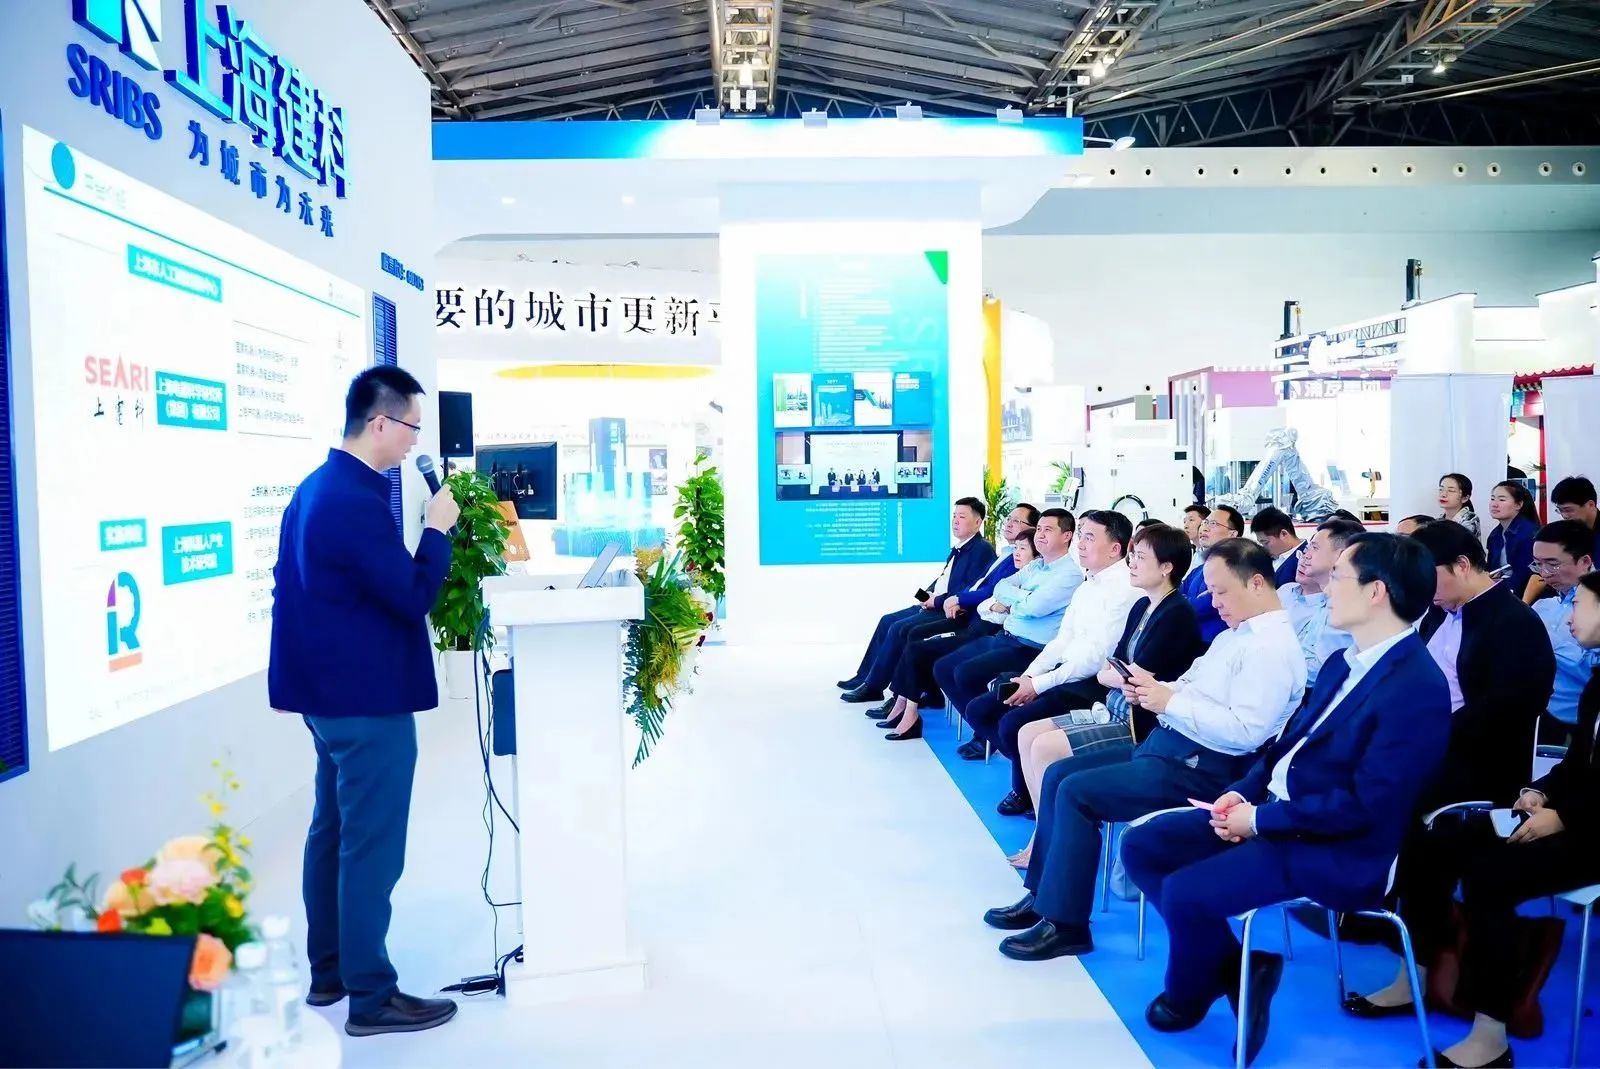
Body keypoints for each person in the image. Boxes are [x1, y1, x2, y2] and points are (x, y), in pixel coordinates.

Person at [1122, 533, 1451, 1068]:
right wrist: (1243, 793)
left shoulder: (1415, 687)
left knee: (1186, 893)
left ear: (1376, 593)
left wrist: (1260, 820)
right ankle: (1239, 971)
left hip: (1339, 845)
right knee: (1144, 846)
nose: (1325, 586)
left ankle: (1188, 993)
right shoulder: (1345, 662)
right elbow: (1287, 748)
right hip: (1283, 814)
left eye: (1338, 576)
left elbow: (1366, 806)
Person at [982, 539, 1305, 965]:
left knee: (1077, 792)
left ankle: (1065, 922)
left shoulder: (1270, 648)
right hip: (1172, 747)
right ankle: (1043, 895)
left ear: (1257, 583)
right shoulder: (1238, 634)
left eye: (1221, 591)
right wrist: (1158, 691)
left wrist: (1169, 702)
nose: (1213, 602)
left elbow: (1246, 732)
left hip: (1205, 767)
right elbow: (1191, 683)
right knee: (1060, 775)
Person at [269, 367, 461, 1037]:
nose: (414, 443)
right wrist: (437, 531)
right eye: (411, 427)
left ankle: (330, 973)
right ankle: (372, 996)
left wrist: (297, 685)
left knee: (332, 832)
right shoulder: (354, 501)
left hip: (326, 701)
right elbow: (411, 596)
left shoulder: (314, 488)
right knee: (371, 847)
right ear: (380, 422)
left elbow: (288, 590)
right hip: (366, 703)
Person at [1347, 571, 1600, 1069]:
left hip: (1590, 831)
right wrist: (1540, 791)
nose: (1569, 615)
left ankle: (1491, 1033)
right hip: (1569, 815)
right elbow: (1578, 765)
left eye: (1580, 605)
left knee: (1491, 877)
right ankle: (1416, 975)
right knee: (1434, 843)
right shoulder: (1597, 685)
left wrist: (1564, 817)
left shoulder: (1513, 627)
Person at [1006, 523, 1206, 869]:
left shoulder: (1177, 614)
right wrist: (1120, 674)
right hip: (1114, 705)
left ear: (1166, 567)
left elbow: (1134, 675)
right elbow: (1110, 669)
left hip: (1137, 723)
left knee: (1044, 747)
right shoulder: (1142, 606)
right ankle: (1043, 832)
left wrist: (1120, 674)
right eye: (1133, 555)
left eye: (1140, 557)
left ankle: (1047, 843)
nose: (1132, 563)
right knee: (1026, 733)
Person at [968, 511, 1143, 816]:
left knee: (1012, 723)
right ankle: (1033, 784)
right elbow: (1062, 640)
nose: (1081, 544)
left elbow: (1095, 658)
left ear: (1115, 549)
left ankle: (1034, 795)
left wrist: (1038, 684)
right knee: (983, 708)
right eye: (1081, 536)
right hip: (1063, 670)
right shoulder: (1088, 585)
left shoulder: (1125, 591)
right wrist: (1028, 678)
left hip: (1092, 684)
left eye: (1090, 537)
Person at [1411, 520, 1556, 809]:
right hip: (1422, 747)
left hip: (1473, 765)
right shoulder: (1438, 611)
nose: (1423, 588)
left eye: (1428, 576)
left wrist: (1427, 733)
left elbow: (1505, 712)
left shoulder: (1515, 622)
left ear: (1462, 565)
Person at [868, 503, 1040, 723]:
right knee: (892, 623)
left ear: (978, 521)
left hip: (969, 617)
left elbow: (990, 593)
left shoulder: (987, 551)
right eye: (1009, 519)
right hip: (953, 606)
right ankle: (874, 684)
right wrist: (930, 596)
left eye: (1017, 521)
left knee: (909, 634)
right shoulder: (997, 552)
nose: (1009, 523)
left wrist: (949, 600)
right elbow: (976, 586)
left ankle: (897, 697)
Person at [924, 510, 1085, 742]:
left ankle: (988, 734)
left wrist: (1015, 603)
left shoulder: (1070, 574)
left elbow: (1035, 608)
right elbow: (1001, 587)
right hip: (1005, 636)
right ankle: (986, 732)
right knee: (942, 668)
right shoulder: (1036, 566)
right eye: (1039, 529)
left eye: (1048, 530)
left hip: (1028, 648)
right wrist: (1025, 598)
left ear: (1067, 536)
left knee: (965, 674)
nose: (1040, 535)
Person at [839, 497, 995, 703]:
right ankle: (864, 678)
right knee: (887, 620)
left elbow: (967, 589)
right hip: (933, 603)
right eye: (954, 516)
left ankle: (877, 687)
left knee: (900, 628)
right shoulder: (960, 547)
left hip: (947, 609)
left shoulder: (981, 549)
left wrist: (935, 601)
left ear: (978, 522)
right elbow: (942, 579)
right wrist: (924, 596)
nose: (955, 521)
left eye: (962, 517)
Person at [1529, 520, 1599, 728]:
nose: (1544, 573)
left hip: (1583, 724)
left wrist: (1545, 647)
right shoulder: (1542, 607)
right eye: (1537, 564)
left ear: (1585, 561)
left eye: (1553, 564)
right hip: (1542, 719)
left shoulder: (1595, 608)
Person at [1277, 518, 1363, 688]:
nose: (1305, 556)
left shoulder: (1343, 610)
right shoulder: (1287, 591)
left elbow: (1317, 672)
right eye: (1307, 548)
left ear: (1342, 556)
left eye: (1315, 548)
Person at [1181, 505, 1245, 644]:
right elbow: (1174, 597)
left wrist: (1185, 600)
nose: (1204, 528)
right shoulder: (1199, 569)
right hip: (1189, 642)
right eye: (1205, 523)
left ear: (1232, 534)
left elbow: (1198, 607)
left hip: (1215, 644)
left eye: (1213, 524)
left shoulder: (1235, 569)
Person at [1485, 479, 1539, 596]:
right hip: (1502, 590)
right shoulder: (1495, 535)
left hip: (1522, 594)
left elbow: (1525, 574)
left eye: (1502, 500)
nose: (1494, 504)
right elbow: (1492, 569)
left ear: (1518, 504)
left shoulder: (1529, 534)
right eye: (1492, 499)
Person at [1249, 506, 1304, 587]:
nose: (1264, 548)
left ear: (1284, 534)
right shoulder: (1269, 556)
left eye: (1266, 542)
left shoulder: (1304, 561)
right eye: (1261, 543)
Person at [1439, 472, 1481, 538]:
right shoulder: (1439, 520)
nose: (1443, 494)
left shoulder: (1471, 520)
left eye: (1451, 490)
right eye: (1441, 489)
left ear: (1465, 498)